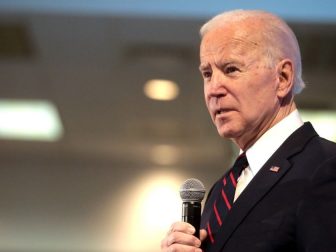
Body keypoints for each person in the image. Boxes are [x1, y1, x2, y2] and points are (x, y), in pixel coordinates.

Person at [161, 9, 336, 252]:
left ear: (283, 78)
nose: (213, 89)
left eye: (231, 69)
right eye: (207, 74)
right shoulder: (221, 190)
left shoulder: (326, 167)